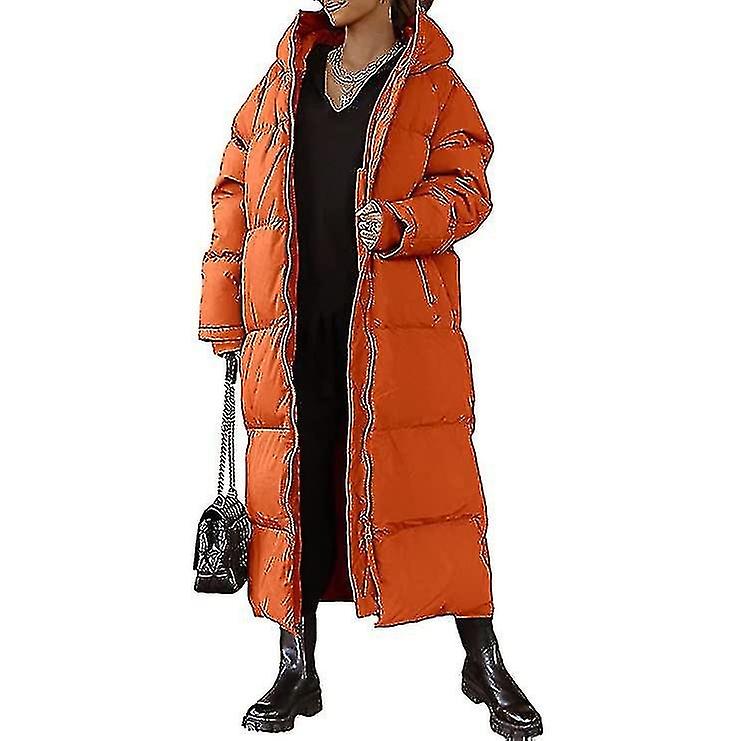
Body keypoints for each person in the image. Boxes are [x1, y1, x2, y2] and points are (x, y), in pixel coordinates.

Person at [197, 1, 542, 737]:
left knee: (435, 491)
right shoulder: (283, 79)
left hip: (394, 332)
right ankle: (296, 667)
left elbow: (468, 188)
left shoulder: (432, 84)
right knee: (294, 492)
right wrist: (224, 314)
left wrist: (400, 221)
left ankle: (482, 658)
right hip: (290, 328)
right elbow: (232, 193)